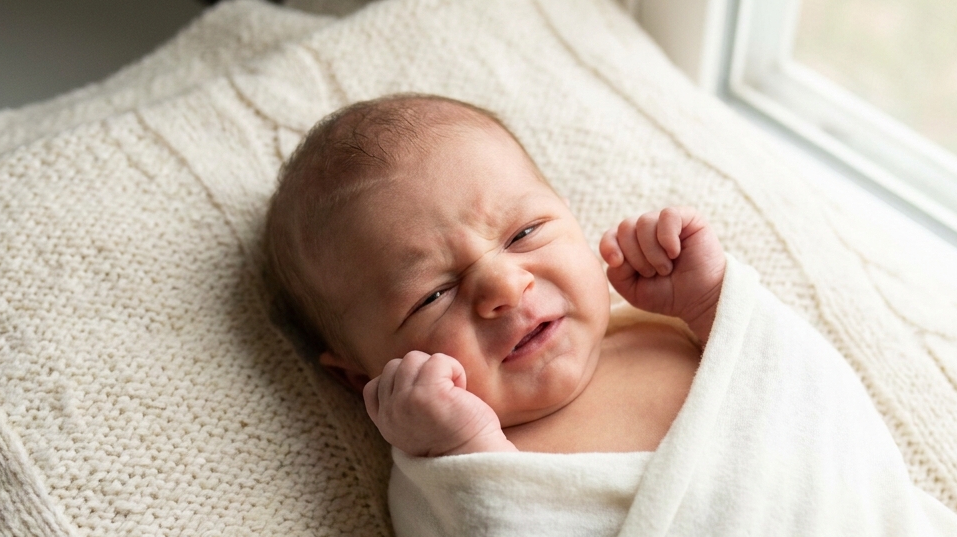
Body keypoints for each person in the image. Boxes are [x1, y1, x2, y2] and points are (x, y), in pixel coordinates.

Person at [262, 92, 724, 457]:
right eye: (434, 295)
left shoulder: (673, 331)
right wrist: (469, 452)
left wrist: (713, 303)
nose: (505, 286)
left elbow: (789, 390)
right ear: (363, 380)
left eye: (524, 232)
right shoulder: (451, 468)